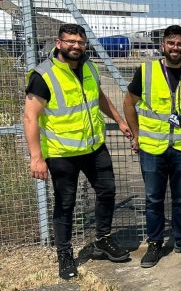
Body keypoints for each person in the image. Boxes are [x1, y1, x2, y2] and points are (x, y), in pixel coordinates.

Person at [23, 24, 132, 280]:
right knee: (65, 204)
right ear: (58, 42)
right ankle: (64, 254)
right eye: (70, 41)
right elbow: (30, 117)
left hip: (94, 147)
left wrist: (120, 120)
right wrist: (36, 157)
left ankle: (103, 240)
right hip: (62, 153)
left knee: (107, 191)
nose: (76, 46)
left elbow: (99, 97)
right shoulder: (43, 75)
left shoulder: (89, 66)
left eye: (80, 42)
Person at [123, 25, 181, 268]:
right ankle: (156, 244)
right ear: (163, 45)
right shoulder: (146, 71)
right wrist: (136, 134)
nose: (175, 48)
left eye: (180, 44)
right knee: (153, 199)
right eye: (171, 43)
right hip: (152, 149)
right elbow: (129, 103)